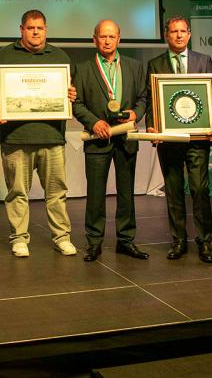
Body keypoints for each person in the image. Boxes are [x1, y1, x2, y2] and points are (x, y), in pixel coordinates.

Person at [0, 10, 77, 257]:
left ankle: (62, 237)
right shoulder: (4, 55)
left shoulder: (60, 56)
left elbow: (70, 90)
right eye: (30, 28)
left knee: (57, 193)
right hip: (15, 137)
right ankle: (19, 239)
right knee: (17, 193)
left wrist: (71, 95)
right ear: (21, 29)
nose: (35, 32)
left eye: (40, 28)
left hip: (52, 137)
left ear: (46, 29)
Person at [146, 16, 212, 263]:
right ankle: (178, 240)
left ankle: (204, 242)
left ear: (189, 34)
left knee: (200, 188)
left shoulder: (203, 60)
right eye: (174, 32)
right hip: (168, 137)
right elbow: (151, 100)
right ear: (166, 35)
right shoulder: (155, 63)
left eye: (183, 31)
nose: (179, 35)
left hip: (198, 137)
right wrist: (151, 125)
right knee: (173, 189)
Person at [73, 19, 150, 262]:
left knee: (127, 192)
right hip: (97, 138)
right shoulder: (83, 68)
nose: (107, 41)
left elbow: (143, 97)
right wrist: (93, 122)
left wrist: (137, 113)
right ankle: (94, 242)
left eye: (111, 36)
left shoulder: (135, 66)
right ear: (94, 39)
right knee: (95, 193)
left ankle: (126, 240)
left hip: (126, 136)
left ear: (119, 38)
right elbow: (77, 103)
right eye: (102, 36)